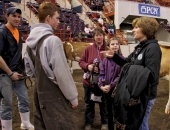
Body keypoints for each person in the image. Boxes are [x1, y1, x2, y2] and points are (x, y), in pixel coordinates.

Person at [24, 2, 78, 130]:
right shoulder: (53, 41)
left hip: (38, 94)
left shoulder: (30, 43)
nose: (59, 21)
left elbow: (30, 71)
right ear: (48, 18)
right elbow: (62, 74)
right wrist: (73, 97)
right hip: (54, 96)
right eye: (57, 18)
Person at [101, 16, 162, 130]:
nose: (133, 30)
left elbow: (152, 75)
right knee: (135, 124)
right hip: (135, 93)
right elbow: (126, 62)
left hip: (145, 96)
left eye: (136, 27)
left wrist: (130, 67)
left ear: (146, 29)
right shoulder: (139, 47)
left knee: (140, 125)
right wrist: (114, 56)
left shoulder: (153, 48)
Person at [0, 7, 34, 130]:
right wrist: (9, 73)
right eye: (14, 16)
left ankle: (25, 123)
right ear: (7, 16)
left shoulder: (19, 32)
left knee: (24, 99)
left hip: (18, 71)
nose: (17, 19)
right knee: (7, 104)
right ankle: (6, 128)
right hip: (4, 74)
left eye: (19, 17)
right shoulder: (2, 32)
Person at [79, 28, 108, 130]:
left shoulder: (108, 49)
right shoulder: (88, 49)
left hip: (104, 82)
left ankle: (105, 123)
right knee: (89, 104)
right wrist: (88, 66)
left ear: (103, 36)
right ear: (94, 37)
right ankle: (88, 123)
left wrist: (103, 67)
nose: (98, 37)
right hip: (88, 82)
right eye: (96, 35)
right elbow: (81, 61)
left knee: (104, 104)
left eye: (100, 35)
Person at [98, 38, 123, 130]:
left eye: (117, 44)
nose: (115, 45)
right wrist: (101, 85)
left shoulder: (122, 59)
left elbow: (120, 76)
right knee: (109, 112)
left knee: (118, 113)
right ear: (108, 46)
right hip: (107, 91)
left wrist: (111, 85)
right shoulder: (105, 60)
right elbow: (101, 74)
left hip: (118, 92)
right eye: (112, 44)